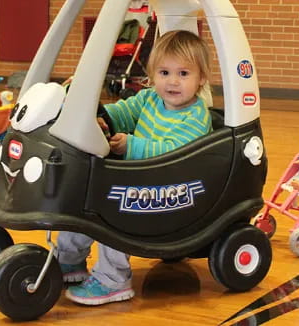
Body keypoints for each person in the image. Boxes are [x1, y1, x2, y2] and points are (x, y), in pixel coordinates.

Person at [57, 30, 213, 306]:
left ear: (201, 78)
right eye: (164, 72)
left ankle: (113, 278)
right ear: (153, 75)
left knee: (113, 211)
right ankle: (69, 261)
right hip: (141, 178)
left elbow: (175, 151)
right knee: (81, 195)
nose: (172, 82)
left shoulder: (196, 116)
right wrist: (101, 117)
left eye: (183, 74)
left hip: (170, 188)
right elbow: (123, 111)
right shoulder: (150, 99)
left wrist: (132, 147)